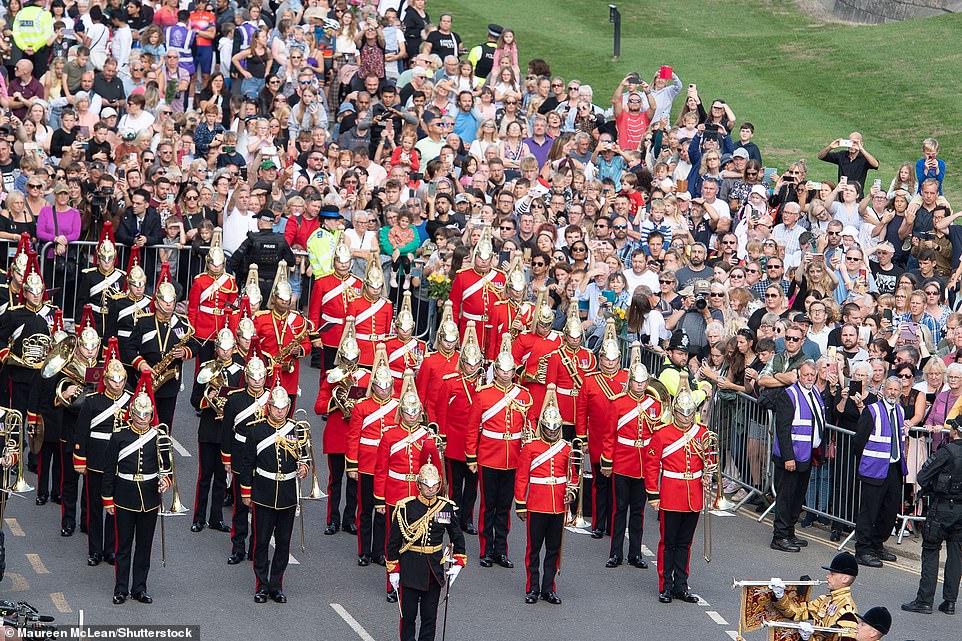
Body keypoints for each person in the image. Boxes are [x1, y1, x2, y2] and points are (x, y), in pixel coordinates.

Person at [238, 370, 309, 604]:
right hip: (263, 492)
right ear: (269, 407)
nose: (280, 412)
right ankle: (261, 585)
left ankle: (277, 585)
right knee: (261, 541)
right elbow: (247, 462)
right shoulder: (256, 430)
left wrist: (303, 469)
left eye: (283, 408)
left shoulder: (295, 429)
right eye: (276, 408)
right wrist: (246, 492)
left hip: (287, 493)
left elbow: (304, 458)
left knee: (283, 543)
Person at [101, 371, 172, 605]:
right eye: (139, 414)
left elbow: (167, 469)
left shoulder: (158, 436)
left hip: (149, 497)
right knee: (123, 547)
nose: (143, 418)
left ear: (151, 414)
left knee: (144, 547)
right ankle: (120, 588)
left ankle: (139, 588)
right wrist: (108, 499)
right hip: (124, 496)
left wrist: (165, 482)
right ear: (131, 414)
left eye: (147, 414)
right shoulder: (120, 436)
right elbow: (109, 469)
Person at [464, 330, 531, 568]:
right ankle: (486, 549)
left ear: (514, 373)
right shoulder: (483, 395)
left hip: (512, 458)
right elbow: (473, 428)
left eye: (509, 371)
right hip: (489, 456)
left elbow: (528, 428)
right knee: (488, 505)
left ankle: (501, 550)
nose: (505, 375)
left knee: (504, 507)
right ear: (496, 371)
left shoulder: (523, 395)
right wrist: (471, 456)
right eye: (501, 371)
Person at [374, 372, 442, 603]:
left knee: (419, 542)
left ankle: (415, 582)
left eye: (415, 412)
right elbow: (381, 469)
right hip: (395, 492)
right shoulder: (390, 436)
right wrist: (379, 499)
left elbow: (436, 471)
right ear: (401, 412)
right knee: (394, 541)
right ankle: (391, 584)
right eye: (407, 412)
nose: (412, 416)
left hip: (420, 494)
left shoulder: (427, 436)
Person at [643, 387, 709, 604]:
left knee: (685, 544)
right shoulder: (662, 434)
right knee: (668, 543)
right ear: (675, 412)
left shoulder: (701, 433)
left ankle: (681, 585)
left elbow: (709, 461)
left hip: (694, 495)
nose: (686, 418)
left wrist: (709, 476)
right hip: (671, 494)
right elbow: (651, 466)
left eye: (690, 414)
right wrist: (653, 495)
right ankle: (666, 586)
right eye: (682, 413)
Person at [386, 462, 466, 641]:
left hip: (433, 570)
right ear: (419, 485)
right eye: (426, 484)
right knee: (408, 617)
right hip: (410, 567)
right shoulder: (406, 507)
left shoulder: (445, 508)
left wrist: (459, 562)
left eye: (434, 485)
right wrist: (393, 569)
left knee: (429, 617)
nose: (431, 488)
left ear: (439, 485)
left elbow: (457, 536)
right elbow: (393, 542)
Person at [602, 350, 662, 570]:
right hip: (622, 462)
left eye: (643, 382)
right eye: (636, 382)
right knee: (619, 510)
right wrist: (607, 462)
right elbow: (609, 435)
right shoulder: (618, 404)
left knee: (638, 512)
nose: (639, 386)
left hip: (643, 464)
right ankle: (615, 552)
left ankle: (635, 553)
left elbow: (656, 437)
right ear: (630, 382)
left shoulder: (654, 405)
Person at [514, 384, 573, 605]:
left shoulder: (566, 448)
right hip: (537, 504)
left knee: (553, 550)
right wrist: (521, 503)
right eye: (548, 429)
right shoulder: (531, 447)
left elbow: (572, 477)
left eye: (554, 428)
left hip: (558, 505)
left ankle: (549, 588)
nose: (551, 432)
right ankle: (532, 588)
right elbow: (521, 477)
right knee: (534, 549)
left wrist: (572, 496)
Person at [73, 338, 129, 566]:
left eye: (121, 380)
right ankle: (95, 550)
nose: (118, 384)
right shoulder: (93, 402)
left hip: (119, 461)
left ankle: (110, 549)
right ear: (105, 381)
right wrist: (80, 459)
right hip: (96, 459)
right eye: (114, 381)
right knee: (95, 507)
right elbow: (81, 432)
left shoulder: (130, 400)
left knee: (114, 508)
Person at [901, 415, 962, 615]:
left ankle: (924, 601)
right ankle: (950, 602)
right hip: (961, 511)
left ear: (955, 431)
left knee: (930, 551)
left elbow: (922, 475)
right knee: (955, 556)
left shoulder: (947, 452)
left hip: (942, 507)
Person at [315, 319, 367, 536]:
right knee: (335, 481)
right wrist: (338, 402)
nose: (350, 362)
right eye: (347, 358)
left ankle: (349, 519)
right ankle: (332, 519)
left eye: (353, 358)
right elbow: (319, 406)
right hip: (337, 433)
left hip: (357, 435)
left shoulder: (365, 377)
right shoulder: (331, 377)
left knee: (354, 482)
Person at [346, 345, 397, 566]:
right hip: (366, 464)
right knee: (365, 509)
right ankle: (364, 551)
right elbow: (353, 437)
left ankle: (380, 551)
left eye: (386, 387)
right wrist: (352, 465)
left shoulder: (397, 407)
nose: (383, 391)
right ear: (373, 386)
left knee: (384, 511)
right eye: (379, 386)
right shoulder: (362, 406)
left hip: (388, 465)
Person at [575, 322, 628, 538]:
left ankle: (613, 526)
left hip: (621, 440)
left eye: (613, 359)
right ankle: (598, 523)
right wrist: (582, 439)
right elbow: (581, 412)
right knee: (600, 483)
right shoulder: (590, 381)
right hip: (597, 438)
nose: (609, 363)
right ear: (600, 359)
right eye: (606, 359)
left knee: (618, 486)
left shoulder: (626, 379)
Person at [123, 267, 193, 428]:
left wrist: (185, 351)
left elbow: (194, 345)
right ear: (156, 302)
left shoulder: (182, 322)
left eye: (171, 302)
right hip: (146, 378)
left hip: (170, 382)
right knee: (143, 419)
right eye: (165, 302)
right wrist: (142, 365)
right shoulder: (144, 322)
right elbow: (130, 348)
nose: (169, 306)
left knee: (165, 422)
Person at [189, 328, 242, 533]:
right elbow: (194, 399)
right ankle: (199, 518)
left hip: (227, 431)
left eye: (229, 349)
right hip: (209, 430)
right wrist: (208, 398)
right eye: (222, 348)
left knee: (222, 477)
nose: (225, 352)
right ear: (216, 348)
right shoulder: (205, 368)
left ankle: (216, 518)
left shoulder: (239, 371)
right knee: (205, 476)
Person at [220, 347, 269, 566]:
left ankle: (255, 548)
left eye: (260, 377)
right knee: (241, 506)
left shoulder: (271, 398)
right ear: (246, 378)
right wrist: (227, 459)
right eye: (253, 377)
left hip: (263, 457)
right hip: (240, 456)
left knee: (260, 507)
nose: (257, 381)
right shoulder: (236, 399)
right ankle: (238, 547)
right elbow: (226, 431)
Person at [434, 322, 483, 535]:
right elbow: (442, 411)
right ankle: (448, 518)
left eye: (475, 364)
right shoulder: (450, 382)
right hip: (454, 440)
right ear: (462, 363)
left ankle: (466, 519)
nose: (472, 368)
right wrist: (442, 437)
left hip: (475, 442)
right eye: (469, 364)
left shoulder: (484, 383)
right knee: (453, 486)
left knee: (472, 486)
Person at [771, 360, 824, 553]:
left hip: (807, 456)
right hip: (791, 457)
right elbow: (782, 430)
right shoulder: (789, 395)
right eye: (805, 375)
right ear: (798, 375)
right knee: (786, 498)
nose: (809, 378)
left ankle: (789, 532)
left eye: (812, 375)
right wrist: (788, 458)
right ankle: (779, 536)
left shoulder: (815, 392)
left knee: (797, 498)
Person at [854, 376, 906, 568]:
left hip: (893, 467)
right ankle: (863, 549)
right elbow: (859, 442)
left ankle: (877, 544)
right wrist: (866, 464)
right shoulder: (872, 410)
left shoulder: (900, 411)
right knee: (869, 511)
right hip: (873, 468)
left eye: (896, 390)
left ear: (900, 392)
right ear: (883, 389)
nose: (892, 393)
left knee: (889, 511)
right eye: (889, 389)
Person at [252, 262, 312, 404]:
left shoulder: (297, 319)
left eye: (287, 299)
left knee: (286, 411)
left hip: (289, 375)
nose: (285, 302)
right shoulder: (261, 318)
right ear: (274, 298)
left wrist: (300, 350)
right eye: (281, 299)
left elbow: (307, 344)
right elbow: (251, 344)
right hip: (266, 372)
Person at [306, 231, 361, 371]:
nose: (343, 265)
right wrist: (314, 336)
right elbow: (314, 311)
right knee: (328, 373)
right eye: (339, 261)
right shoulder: (322, 282)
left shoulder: (359, 283)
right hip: (330, 333)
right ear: (334, 262)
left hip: (352, 333)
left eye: (346, 262)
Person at [769, 552, 860, 635]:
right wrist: (780, 595)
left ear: (845, 579)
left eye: (832, 574)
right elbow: (797, 613)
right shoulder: (825, 600)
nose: (827, 576)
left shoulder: (848, 609)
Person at [448, 225, 506, 350]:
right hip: (470, 327)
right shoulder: (463, 276)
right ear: (475, 256)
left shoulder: (500, 276)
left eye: (487, 258)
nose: (484, 261)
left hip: (493, 327)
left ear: (491, 257)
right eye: (480, 257)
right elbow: (454, 306)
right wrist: (453, 330)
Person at [187, 229, 238, 363]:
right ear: (208, 263)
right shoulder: (200, 280)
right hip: (203, 327)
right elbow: (193, 307)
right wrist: (192, 327)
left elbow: (233, 308)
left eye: (219, 265)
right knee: (203, 364)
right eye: (213, 264)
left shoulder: (230, 281)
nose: (215, 267)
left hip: (222, 325)